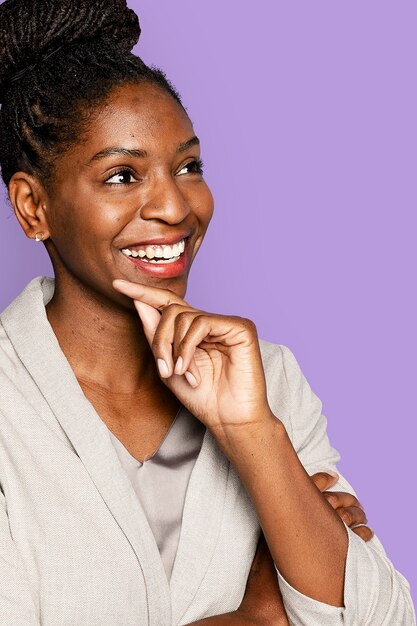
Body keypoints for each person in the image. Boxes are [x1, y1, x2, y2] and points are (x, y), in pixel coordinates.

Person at [0, 1, 414, 625]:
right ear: (33, 207)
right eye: (121, 175)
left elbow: (382, 620)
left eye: (188, 166)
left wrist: (252, 434)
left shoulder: (265, 379)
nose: (174, 205)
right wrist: (259, 618)